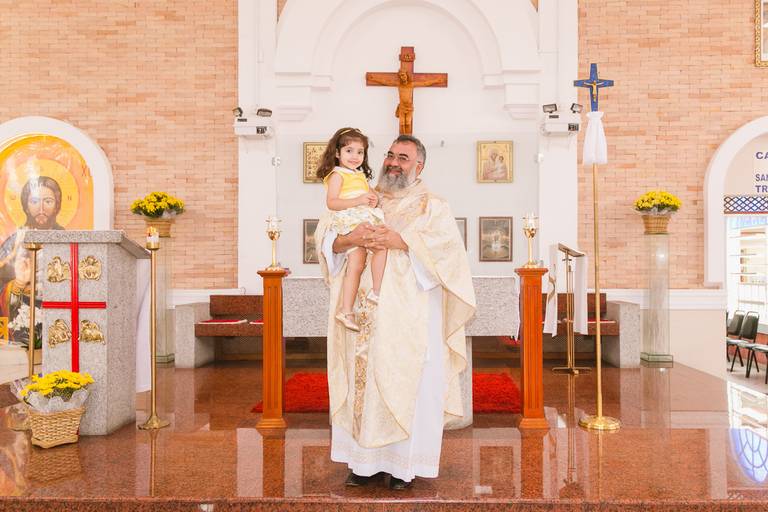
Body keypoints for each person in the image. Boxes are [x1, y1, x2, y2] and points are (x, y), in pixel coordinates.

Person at [315, 134, 476, 490]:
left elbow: (449, 255)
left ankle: (405, 467)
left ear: (419, 165)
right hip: (362, 314)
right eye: (390, 155)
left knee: (408, 385)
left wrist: (399, 241)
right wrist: (351, 239)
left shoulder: (432, 206)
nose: (392, 162)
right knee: (364, 383)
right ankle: (363, 465)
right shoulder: (363, 197)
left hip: (410, 318)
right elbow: (327, 239)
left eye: (403, 157)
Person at [316, 127, 387, 332]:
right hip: (349, 219)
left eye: (360, 152)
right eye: (349, 151)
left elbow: (371, 196)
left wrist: (373, 199)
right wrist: (359, 200)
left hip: (361, 216)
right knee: (379, 247)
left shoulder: (359, 175)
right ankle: (375, 292)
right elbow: (332, 202)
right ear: (337, 153)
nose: (355, 156)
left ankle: (347, 310)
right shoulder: (337, 175)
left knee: (357, 264)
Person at [0, 176, 65, 268]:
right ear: (26, 207)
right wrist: (14, 255)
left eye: (48, 202)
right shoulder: (15, 240)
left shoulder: (65, 238)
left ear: (56, 206)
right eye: (34, 202)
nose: (41, 209)